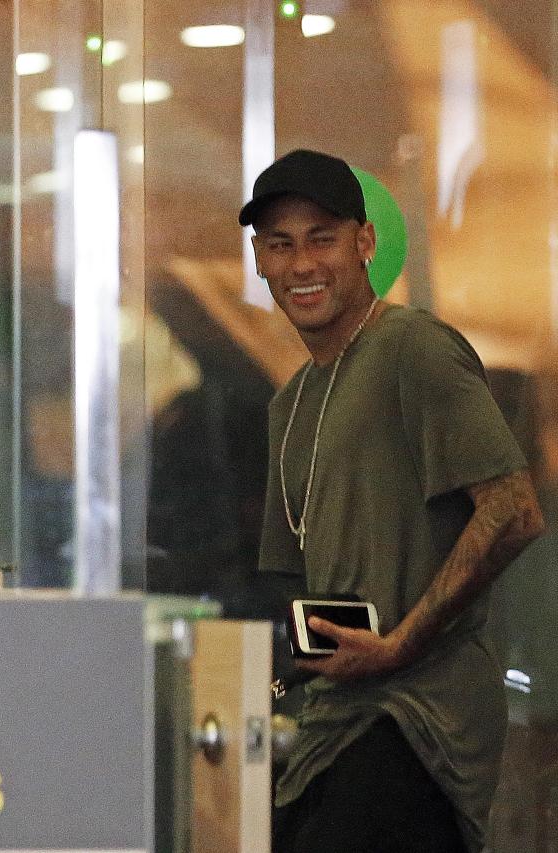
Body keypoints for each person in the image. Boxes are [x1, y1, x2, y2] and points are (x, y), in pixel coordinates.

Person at [244, 149, 545, 852]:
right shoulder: (290, 403)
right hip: (330, 725)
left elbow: (513, 508)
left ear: (365, 242)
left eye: (322, 237)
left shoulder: (412, 347)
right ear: (259, 260)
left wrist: (398, 644)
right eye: (281, 244)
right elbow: (298, 584)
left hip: (416, 723)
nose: (302, 264)